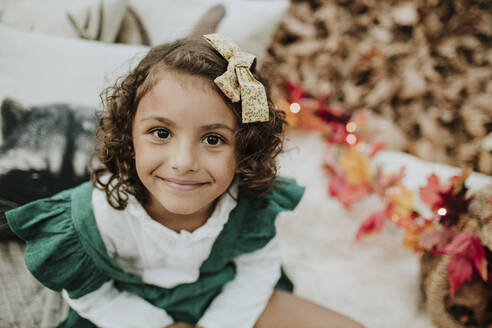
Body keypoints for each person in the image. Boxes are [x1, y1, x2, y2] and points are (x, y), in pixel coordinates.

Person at [6, 34, 364, 328]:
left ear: (244, 149)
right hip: (131, 310)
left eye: (213, 139)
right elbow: (91, 294)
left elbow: (256, 270)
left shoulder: (249, 203)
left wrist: (219, 323)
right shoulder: (101, 211)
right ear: (130, 137)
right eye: (161, 133)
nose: (183, 163)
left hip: (222, 295)